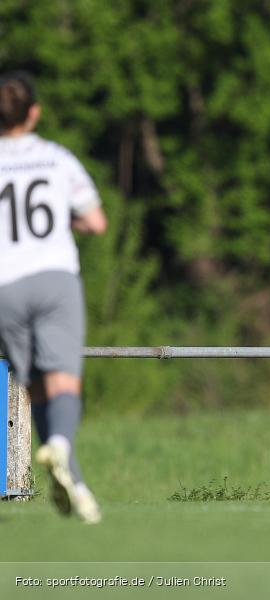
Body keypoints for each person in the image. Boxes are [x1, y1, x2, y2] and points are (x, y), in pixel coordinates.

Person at [0, 71, 107, 523]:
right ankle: (61, 450)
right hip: (55, 277)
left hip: (5, 283)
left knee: (37, 385)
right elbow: (95, 222)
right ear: (35, 112)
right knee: (64, 380)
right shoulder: (56, 158)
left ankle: (75, 484)